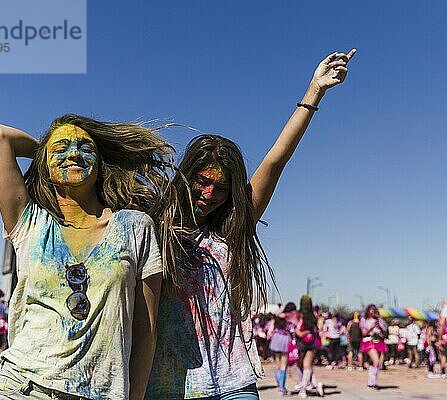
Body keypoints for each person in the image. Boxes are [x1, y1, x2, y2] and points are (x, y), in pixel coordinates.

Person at [145, 49, 356, 400]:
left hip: (233, 384)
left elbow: (276, 159)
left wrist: (314, 92)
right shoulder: (153, 227)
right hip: (169, 384)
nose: (209, 193)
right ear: (186, 176)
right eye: (202, 181)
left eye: (222, 188)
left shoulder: (232, 228)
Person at [0, 115, 170, 399]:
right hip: (21, 386)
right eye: (61, 148)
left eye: (85, 147)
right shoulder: (30, 222)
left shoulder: (135, 226)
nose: (73, 153)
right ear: (44, 164)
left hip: (99, 393)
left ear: (100, 162)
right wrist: (47, 150)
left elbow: (146, 330)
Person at [294, 296, 324, 398]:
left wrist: (302, 333)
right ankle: (315, 384)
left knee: (301, 365)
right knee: (307, 366)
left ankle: (303, 389)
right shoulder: (313, 316)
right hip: (311, 342)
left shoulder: (299, 315)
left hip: (301, 342)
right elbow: (317, 329)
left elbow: (297, 330)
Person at [269, 302, 297, 395]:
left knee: (277, 362)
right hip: (284, 339)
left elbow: (272, 327)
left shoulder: (278, 315)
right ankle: (282, 387)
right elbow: (292, 329)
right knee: (284, 364)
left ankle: (279, 385)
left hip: (276, 338)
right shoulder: (289, 317)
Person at [360, 304, 387, 390]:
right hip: (369, 342)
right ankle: (372, 383)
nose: (373, 311)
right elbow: (364, 333)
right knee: (376, 361)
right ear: (368, 311)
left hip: (378, 341)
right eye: (371, 310)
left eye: (374, 310)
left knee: (375, 363)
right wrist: (372, 327)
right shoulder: (364, 320)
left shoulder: (379, 320)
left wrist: (380, 327)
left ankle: (372, 382)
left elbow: (384, 333)